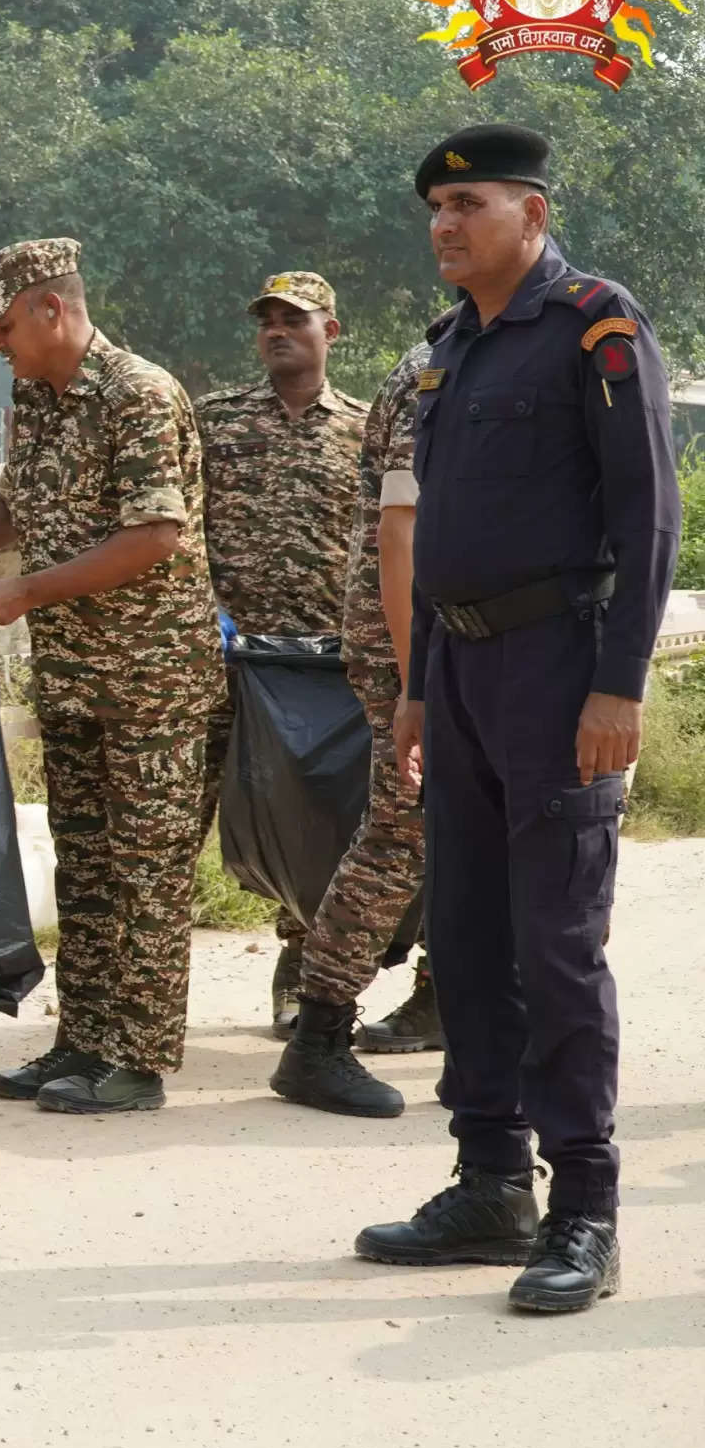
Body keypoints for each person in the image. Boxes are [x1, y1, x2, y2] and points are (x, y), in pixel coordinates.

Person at [354, 123, 679, 1314]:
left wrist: (618, 684)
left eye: (469, 204)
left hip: (557, 671)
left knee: (555, 946)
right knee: (470, 939)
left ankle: (583, 1206)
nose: (444, 224)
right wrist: (413, 684)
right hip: (463, 676)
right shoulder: (454, 349)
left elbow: (645, 514)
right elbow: (442, 537)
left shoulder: (595, 325)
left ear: (531, 215)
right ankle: (490, 1179)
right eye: (435, 207)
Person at [0, 238, 223, 1113]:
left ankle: (140, 1057)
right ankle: (83, 1041)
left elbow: (154, 536)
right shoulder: (35, 395)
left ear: (53, 309)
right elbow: (17, 500)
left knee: (146, 869)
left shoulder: (140, 395)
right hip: (74, 676)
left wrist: (24, 590)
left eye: (6, 327)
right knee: (86, 866)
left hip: (150, 682)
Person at [194, 272, 369, 1035]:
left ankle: (302, 970)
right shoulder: (213, 421)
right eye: (266, 319)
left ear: (331, 331)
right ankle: (130, 993)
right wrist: (210, 612)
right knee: (176, 816)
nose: (277, 330)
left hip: (319, 670)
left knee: (316, 821)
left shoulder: (367, 429)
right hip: (221, 656)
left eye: (294, 319)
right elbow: (177, 527)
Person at [270, 337, 431, 1118]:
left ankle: (461, 1008)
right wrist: (416, 678)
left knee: (467, 836)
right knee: (400, 835)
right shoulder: (438, 364)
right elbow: (402, 528)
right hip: (413, 642)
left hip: (455, 639)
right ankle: (319, 1034)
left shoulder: (506, 344)